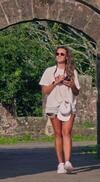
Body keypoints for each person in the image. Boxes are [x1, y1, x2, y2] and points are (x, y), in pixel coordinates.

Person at [39, 46, 80, 174]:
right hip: (53, 106)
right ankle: (60, 163)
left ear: (67, 56)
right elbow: (45, 91)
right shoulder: (49, 71)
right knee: (58, 134)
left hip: (68, 105)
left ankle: (68, 162)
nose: (59, 55)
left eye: (62, 54)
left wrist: (71, 84)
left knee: (66, 132)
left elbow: (76, 92)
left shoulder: (73, 72)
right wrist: (55, 83)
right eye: (57, 53)